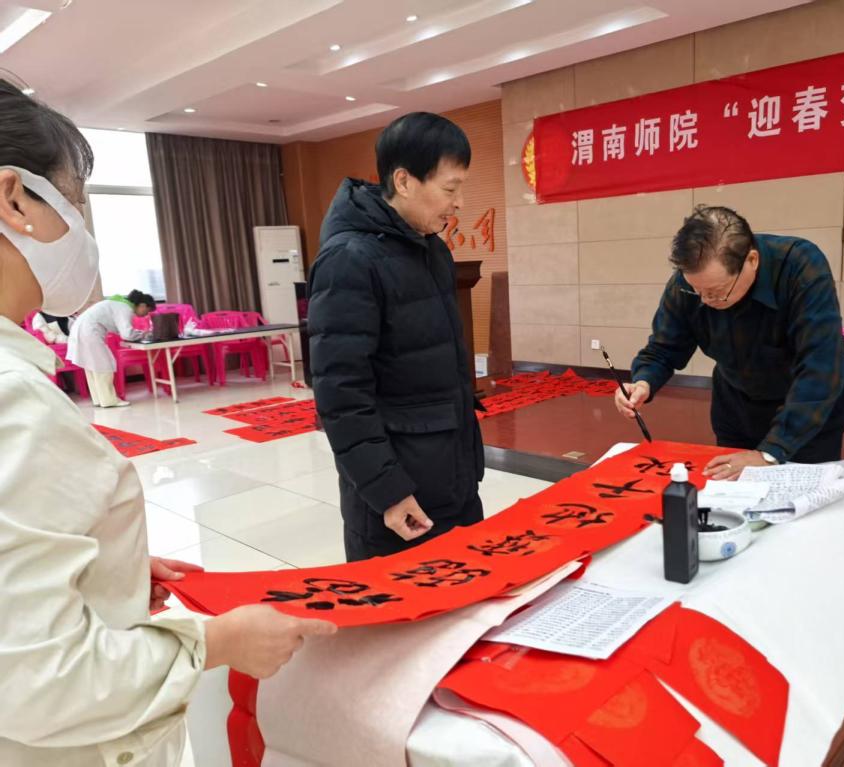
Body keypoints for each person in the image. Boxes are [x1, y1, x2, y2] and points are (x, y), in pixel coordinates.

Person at [0, 80, 336, 767]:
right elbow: (40, 679)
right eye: (77, 203)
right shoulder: (15, 404)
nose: (83, 230)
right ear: (14, 200)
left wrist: (107, 565)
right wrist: (218, 643)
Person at [309, 112, 485, 562]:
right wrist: (387, 490)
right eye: (450, 188)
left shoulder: (432, 250)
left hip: (452, 475)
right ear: (404, 181)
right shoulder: (348, 260)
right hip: (398, 499)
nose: (460, 202)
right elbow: (340, 394)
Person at [615, 205, 844, 479]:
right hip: (736, 406)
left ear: (752, 260)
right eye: (697, 291)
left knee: (799, 493)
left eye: (716, 292)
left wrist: (769, 454)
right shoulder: (688, 282)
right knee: (732, 492)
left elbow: (820, 367)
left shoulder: (800, 266)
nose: (705, 300)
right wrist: (643, 382)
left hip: (806, 411)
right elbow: (664, 347)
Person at [67, 289, 156, 407]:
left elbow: (118, 328)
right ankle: (109, 400)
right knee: (104, 365)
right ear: (143, 305)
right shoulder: (125, 308)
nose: (146, 314)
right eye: (147, 311)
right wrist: (143, 334)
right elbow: (127, 334)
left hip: (80, 329)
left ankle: (99, 400)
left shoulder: (118, 303)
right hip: (89, 332)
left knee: (92, 367)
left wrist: (137, 333)